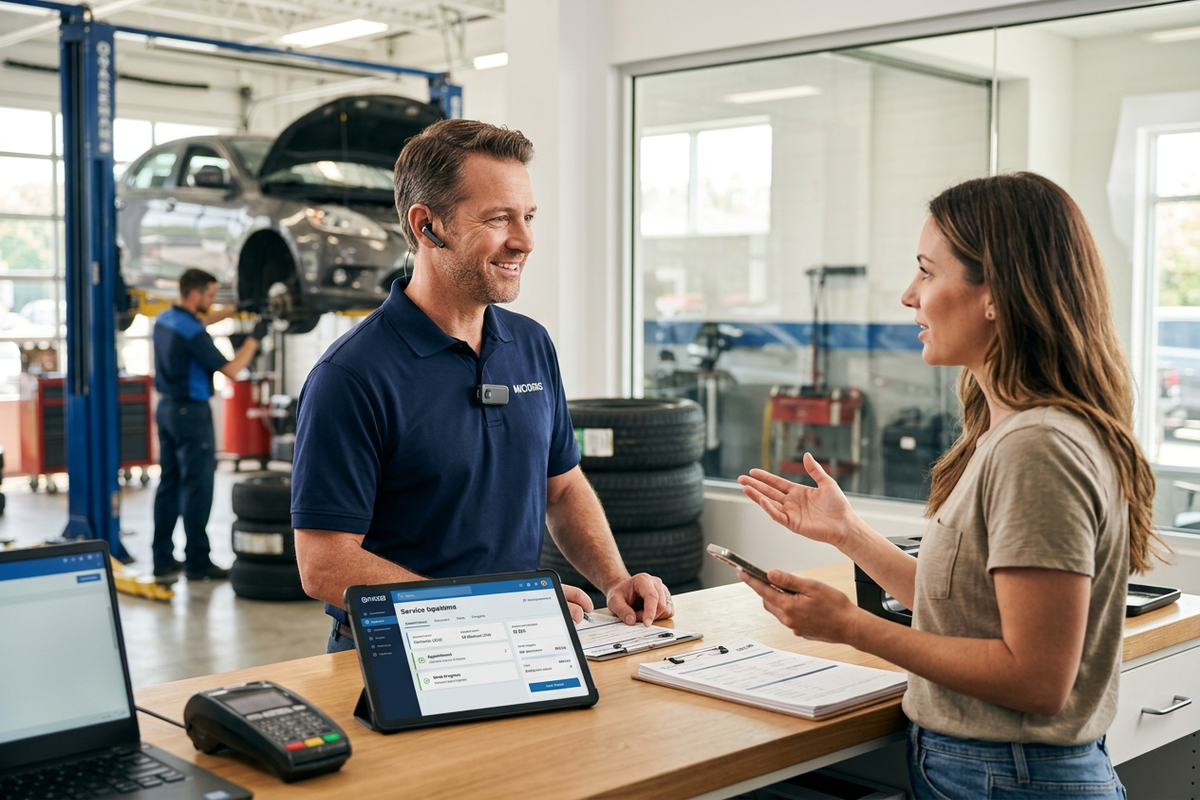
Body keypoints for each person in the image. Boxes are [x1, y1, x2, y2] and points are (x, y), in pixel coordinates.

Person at [738, 173, 1159, 799]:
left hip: (1012, 779)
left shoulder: (1037, 446)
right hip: (995, 772)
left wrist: (852, 627)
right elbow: (969, 614)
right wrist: (849, 534)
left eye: (927, 272)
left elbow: (1037, 678)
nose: (910, 295)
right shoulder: (1011, 431)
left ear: (995, 293)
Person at [291, 119, 673, 654]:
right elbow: (323, 563)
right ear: (427, 226)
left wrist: (614, 579)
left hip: (517, 638)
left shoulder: (531, 345)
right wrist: (490, 611)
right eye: (498, 218)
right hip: (396, 652)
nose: (525, 240)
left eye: (529, 217)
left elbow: (561, 487)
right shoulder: (351, 376)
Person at [152, 268, 269, 580]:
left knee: (169, 485)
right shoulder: (192, 333)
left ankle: (162, 558)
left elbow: (200, 321)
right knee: (198, 487)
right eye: (211, 295)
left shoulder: (166, 320)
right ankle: (197, 562)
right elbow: (231, 369)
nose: (213, 301)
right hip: (191, 416)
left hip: (166, 411)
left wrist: (239, 309)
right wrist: (255, 338)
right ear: (195, 294)